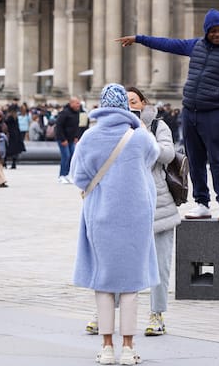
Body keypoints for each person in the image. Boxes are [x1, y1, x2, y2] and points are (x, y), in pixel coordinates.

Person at [117, 8, 219, 221]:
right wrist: (139, 39)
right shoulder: (195, 46)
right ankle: (202, 202)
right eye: (212, 31)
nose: (217, 34)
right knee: (194, 160)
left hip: (213, 112)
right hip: (190, 111)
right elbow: (167, 44)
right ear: (206, 31)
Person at [71, 84, 159, 366]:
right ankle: (130, 349)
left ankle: (107, 347)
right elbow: (153, 158)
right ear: (125, 106)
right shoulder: (139, 137)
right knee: (131, 286)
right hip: (136, 218)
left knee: (105, 284)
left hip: (101, 216)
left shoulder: (89, 137)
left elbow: (79, 178)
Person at [130, 86, 178, 337]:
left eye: (134, 101)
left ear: (143, 103)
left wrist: (144, 132)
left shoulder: (158, 126)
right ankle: (107, 312)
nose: (131, 106)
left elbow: (168, 154)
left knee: (160, 264)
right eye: (126, 102)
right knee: (122, 262)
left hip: (159, 202)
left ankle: (157, 314)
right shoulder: (116, 128)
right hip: (128, 203)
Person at [56, 96, 82, 183]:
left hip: (71, 139)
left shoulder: (77, 113)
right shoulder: (64, 113)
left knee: (72, 157)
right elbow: (58, 127)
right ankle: (62, 175)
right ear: (71, 103)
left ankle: (68, 174)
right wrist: (63, 139)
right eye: (77, 103)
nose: (79, 104)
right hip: (63, 139)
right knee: (66, 156)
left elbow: (76, 126)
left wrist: (76, 137)